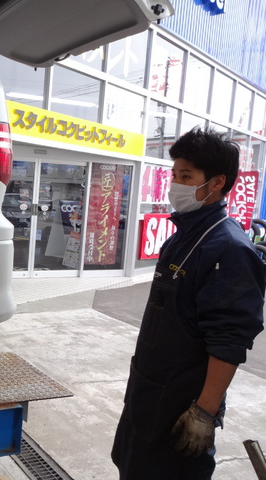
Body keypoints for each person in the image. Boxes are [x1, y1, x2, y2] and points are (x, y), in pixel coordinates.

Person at [111, 127, 265, 480]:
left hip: (181, 406)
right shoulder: (182, 238)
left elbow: (229, 340)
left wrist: (204, 413)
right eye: (174, 175)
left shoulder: (229, 249)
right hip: (147, 392)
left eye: (187, 176)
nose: (175, 185)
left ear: (217, 183)